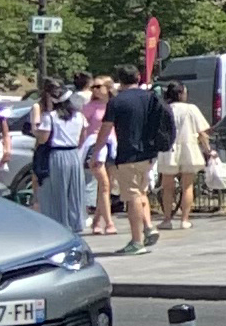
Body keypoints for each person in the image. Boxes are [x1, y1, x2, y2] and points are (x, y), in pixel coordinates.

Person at [101, 64, 169, 254]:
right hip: (148, 154)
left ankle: (136, 241)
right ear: (138, 77)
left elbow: (106, 128)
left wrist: (98, 150)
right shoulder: (149, 97)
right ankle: (148, 228)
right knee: (140, 193)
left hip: (128, 154)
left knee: (132, 197)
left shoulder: (116, 102)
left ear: (119, 79)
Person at [157, 80, 218, 227]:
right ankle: (184, 219)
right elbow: (202, 132)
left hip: (169, 149)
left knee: (167, 186)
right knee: (188, 185)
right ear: (180, 93)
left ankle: (167, 219)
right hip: (189, 148)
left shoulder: (164, 109)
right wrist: (208, 150)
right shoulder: (191, 109)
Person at [34, 86, 87, 234]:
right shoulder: (79, 116)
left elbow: (43, 139)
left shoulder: (49, 117)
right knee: (74, 190)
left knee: (55, 190)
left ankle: (58, 222)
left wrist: (36, 132)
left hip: (56, 155)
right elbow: (82, 138)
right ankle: (75, 221)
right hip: (74, 154)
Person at [81, 76, 114, 236]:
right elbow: (81, 126)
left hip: (113, 145)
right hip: (95, 145)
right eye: (92, 86)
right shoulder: (90, 107)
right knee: (105, 184)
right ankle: (109, 223)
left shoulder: (113, 105)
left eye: (98, 86)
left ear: (108, 87)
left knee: (106, 187)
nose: (94, 89)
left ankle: (96, 221)